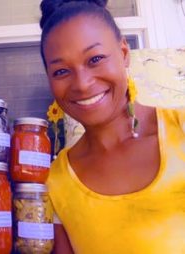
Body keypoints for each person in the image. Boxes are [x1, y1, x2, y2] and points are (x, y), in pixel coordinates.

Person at [39, 0, 185, 253]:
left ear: (124, 53)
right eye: (61, 71)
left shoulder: (180, 129)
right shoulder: (55, 182)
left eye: (95, 59)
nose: (83, 84)